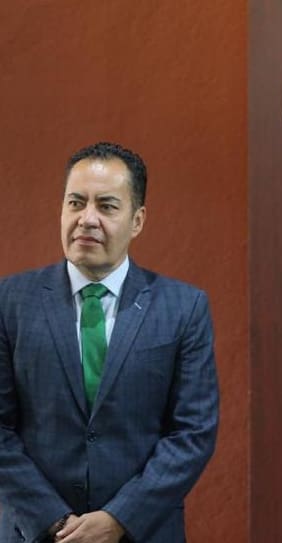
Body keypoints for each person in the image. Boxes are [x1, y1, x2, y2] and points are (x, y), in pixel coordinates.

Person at [0, 142, 219, 543]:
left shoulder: (183, 308)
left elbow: (193, 432)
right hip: (34, 532)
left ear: (137, 220)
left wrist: (119, 518)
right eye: (76, 203)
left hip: (141, 531)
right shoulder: (9, 302)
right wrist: (54, 520)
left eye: (106, 206)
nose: (87, 219)